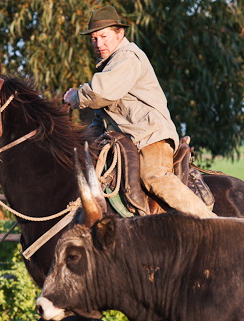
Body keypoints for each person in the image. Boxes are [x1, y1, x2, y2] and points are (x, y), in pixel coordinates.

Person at [63, 5, 216, 218]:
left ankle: (214, 225)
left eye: (104, 36)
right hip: (130, 141)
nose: (99, 43)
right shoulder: (110, 67)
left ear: (120, 34)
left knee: (154, 177)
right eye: (94, 39)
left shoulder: (127, 57)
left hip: (150, 137)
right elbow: (101, 117)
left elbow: (100, 92)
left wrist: (76, 97)